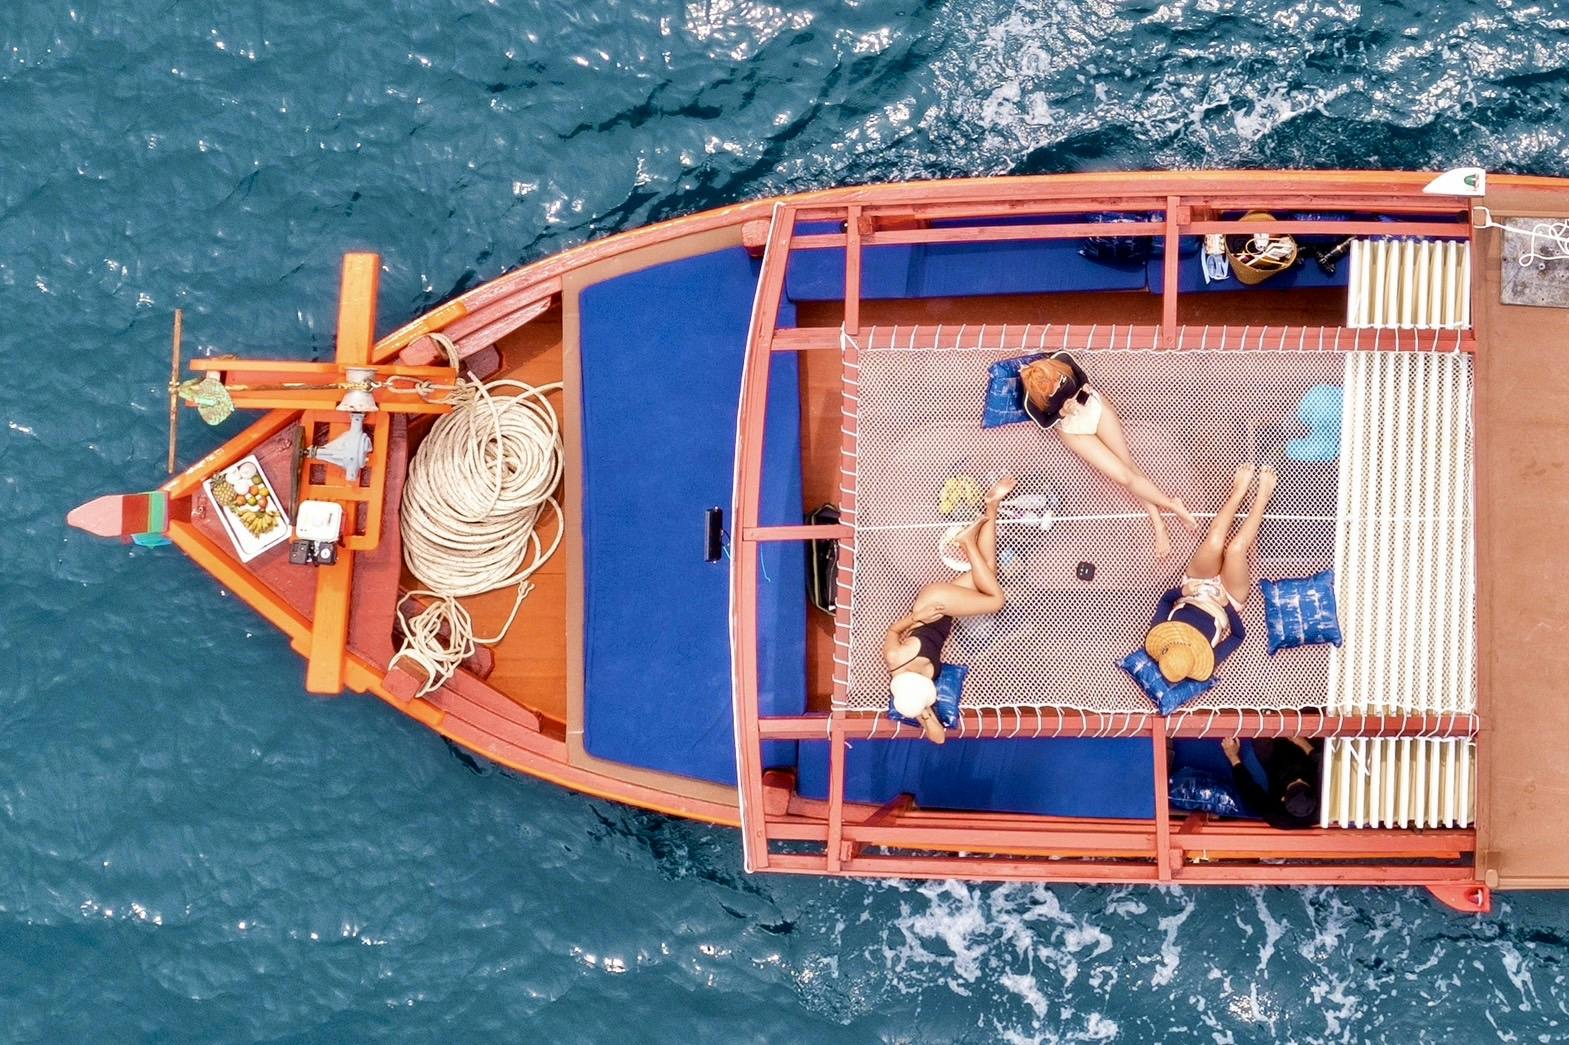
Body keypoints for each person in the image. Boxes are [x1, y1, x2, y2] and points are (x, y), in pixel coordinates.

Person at [1019, 353, 1198, 561]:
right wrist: (1061, 412)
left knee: (1127, 465)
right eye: (1050, 391)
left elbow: (1082, 377)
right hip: (1073, 429)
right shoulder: (1030, 399)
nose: (1057, 386)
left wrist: (1083, 389)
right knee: (1123, 476)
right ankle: (1170, 506)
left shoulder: (1061, 359)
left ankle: (1160, 519)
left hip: (1093, 409)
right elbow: (1044, 423)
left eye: (1058, 381)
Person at [884, 476, 1015, 744]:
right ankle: (992, 506)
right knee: (988, 570)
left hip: (934, 603)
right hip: (947, 609)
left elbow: (893, 629)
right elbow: (939, 738)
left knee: (995, 601)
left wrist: (917, 618)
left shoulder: (895, 658)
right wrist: (923, 713)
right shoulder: (914, 696)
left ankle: (967, 541)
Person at [1144, 461, 1278, 684]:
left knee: (1215, 540)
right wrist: (1225, 603)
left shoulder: (1159, 631)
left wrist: (1185, 589)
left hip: (1196, 586)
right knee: (1236, 549)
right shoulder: (1209, 658)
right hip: (1227, 599)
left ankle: (1239, 491)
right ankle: (1262, 498)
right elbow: (1237, 636)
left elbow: (1167, 600)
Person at [1221, 736, 1323, 829]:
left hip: (1277, 765)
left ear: (1283, 798)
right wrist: (1300, 741)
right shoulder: (1324, 803)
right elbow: (1322, 762)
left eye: (1296, 782)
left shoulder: (1277, 816)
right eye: (1302, 782)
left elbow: (1250, 790)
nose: (1299, 779)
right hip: (1308, 760)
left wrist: (1232, 756)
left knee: (1261, 733)